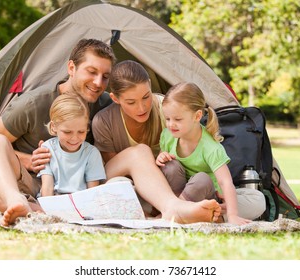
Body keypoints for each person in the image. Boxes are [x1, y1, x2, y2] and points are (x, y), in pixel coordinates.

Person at [0, 38, 116, 226]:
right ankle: (16, 201)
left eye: (105, 76)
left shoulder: (106, 105)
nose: (98, 83)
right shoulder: (34, 103)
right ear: (71, 68)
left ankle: (42, 212)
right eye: (91, 72)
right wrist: (29, 161)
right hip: (33, 184)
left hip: (77, 186)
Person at [91, 60, 221, 224]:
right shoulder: (103, 121)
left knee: (176, 169)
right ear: (115, 99)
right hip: (127, 180)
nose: (142, 107)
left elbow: (193, 151)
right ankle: (174, 209)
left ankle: (168, 211)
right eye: (131, 102)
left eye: (146, 97)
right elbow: (114, 170)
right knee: (135, 161)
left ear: (150, 86)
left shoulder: (166, 109)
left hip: (171, 182)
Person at [156, 82, 266, 225]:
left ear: (197, 116)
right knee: (170, 165)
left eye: (177, 119)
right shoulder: (168, 136)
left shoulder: (210, 147)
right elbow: (161, 170)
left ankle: (187, 213)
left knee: (257, 199)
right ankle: (179, 211)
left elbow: (225, 182)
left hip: (207, 197)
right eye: (168, 119)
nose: (171, 124)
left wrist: (232, 215)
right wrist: (160, 157)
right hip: (177, 195)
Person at [38, 94, 106, 197]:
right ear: (53, 127)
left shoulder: (91, 153)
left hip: (82, 201)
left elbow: (93, 191)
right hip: (54, 200)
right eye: (67, 132)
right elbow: (47, 187)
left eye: (81, 132)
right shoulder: (48, 149)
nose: (74, 138)